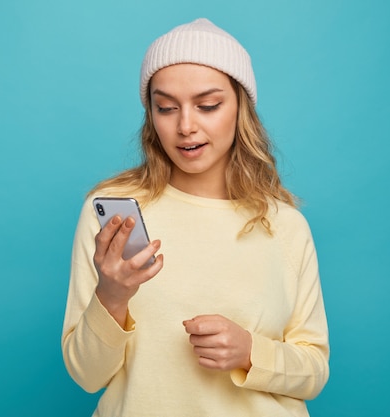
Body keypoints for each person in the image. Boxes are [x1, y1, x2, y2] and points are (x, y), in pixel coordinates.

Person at [61, 18, 329, 417]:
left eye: (207, 106)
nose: (186, 126)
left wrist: (249, 352)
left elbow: (315, 372)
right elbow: (86, 375)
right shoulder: (113, 214)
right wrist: (112, 297)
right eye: (165, 107)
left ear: (241, 107)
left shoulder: (285, 225)